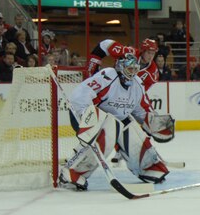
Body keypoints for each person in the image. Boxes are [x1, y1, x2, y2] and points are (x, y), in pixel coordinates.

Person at [58, 53, 173, 191]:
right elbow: (81, 93)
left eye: (135, 69)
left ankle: (148, 167)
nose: (133, 73)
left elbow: (141, 110)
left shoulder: (137, 85)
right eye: (130, 69)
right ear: (120, 67)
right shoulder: (108, 76)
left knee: (132, 131)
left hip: (114, 119)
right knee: (109, 130)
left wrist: (154, 123)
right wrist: (86, 117)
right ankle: (72, 172)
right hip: (86, 115)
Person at [86, 37, 159, 90]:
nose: (151, 56)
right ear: (143, 51)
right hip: (111, 82)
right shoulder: (130, 53)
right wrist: (94, 64)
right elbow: (105, 44)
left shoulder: (153, 73)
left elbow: (141, 92)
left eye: (153, 54)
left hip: (125, 94)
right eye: (149, 53)